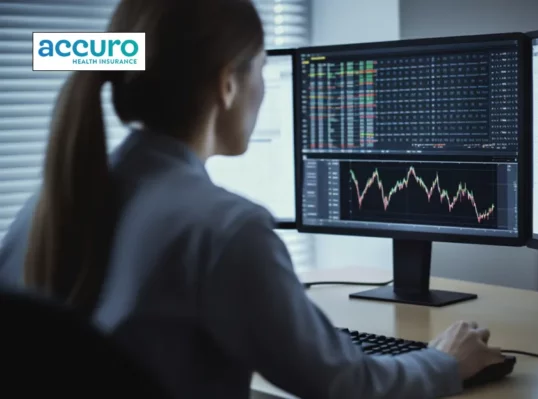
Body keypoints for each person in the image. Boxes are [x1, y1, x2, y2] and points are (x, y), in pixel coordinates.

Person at [0, 1, 504, 398]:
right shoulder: (224, 230)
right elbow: (348, 387)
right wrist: (444, 362)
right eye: (260, 69)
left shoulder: (46, 205)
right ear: (226, 84)